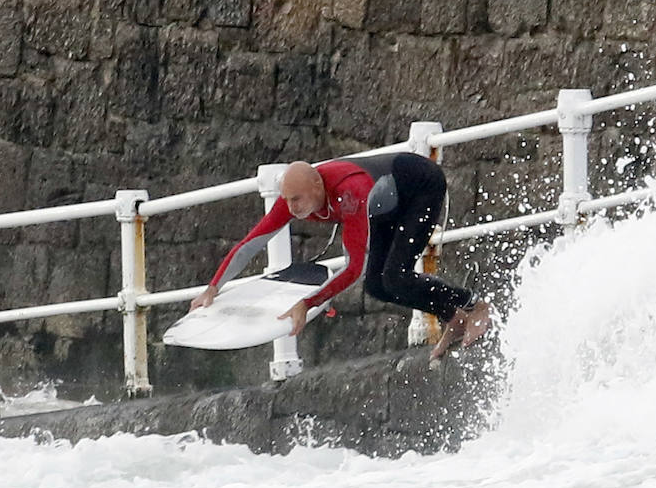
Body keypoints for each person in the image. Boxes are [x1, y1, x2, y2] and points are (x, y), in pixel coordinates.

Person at [190, 153, 491, 360]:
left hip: (420, 186)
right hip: (385, 204)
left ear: (318, 185)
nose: (292, 207)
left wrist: (308, 303)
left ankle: (475, 305)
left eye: (298, 199)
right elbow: (252, 242)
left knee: (396, 276)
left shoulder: (349, 192)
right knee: (377, 286)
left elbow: (352, 268)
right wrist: (213, 288)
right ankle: (454, 317)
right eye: (288, 200)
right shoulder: (291, 200)